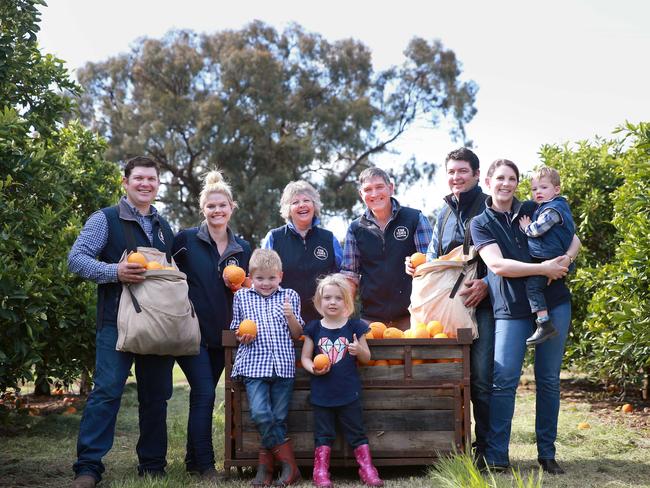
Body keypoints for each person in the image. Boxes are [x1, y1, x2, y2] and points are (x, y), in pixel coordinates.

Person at [67, 156, 175, 488]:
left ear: (158, 185)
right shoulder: (105, 219)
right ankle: (88, 468)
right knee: (107, 393)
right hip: (116, 322)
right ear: (125, 182)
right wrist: (115, 271)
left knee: (156, 396)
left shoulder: (164, 227)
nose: (146, 184)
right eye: (139, 178)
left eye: (152, 179)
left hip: (156, 325)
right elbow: (77, 259)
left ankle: (153, 466)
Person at [470, 159, 580, 474]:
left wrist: (565, 259)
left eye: (512, 178)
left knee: (548, 381)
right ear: (489, 182)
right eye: (500, 178)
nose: (506, 184)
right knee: (504, 382)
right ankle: (497, 456)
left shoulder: (535, 207)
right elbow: (499, 266)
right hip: (510, 309)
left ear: (517, 183)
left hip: (554, 301)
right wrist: (543, 268)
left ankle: (547, 454)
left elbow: (575, 238)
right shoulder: (481, 223)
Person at [405, 147, 494, 461]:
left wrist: (487, 284)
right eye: (452, 172)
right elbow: (434, 256)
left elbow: (507, 256)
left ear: (476, 174)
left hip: (482, 305)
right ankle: (454, 444)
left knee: (481, 379)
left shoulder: (490, 206)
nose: (456, 177)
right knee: (449, 376)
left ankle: (486, 449)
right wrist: (419, 267)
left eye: (462, 171)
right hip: (449, 307)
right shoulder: (443, 213)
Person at [173, 170, 252, 480]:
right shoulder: (185, 240)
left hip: (226, 337)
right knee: (206, 393)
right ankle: (206, 467)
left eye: (223, 206)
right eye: (211, 206)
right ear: (202, 209)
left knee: (202, 395)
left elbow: (248, 288)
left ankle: (193, 461)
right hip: (192, 333)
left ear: (231, 207)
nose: (217, 211)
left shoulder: (242, 248)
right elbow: (167, 277)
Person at [230, 249, 304, 486]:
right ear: (251, 277)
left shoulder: (290, 296)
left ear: (280, 276)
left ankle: (265, 470)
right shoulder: (242, 297)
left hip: (283, 367)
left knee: (279, 419)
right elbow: (236, 329)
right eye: (260, 278)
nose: (266, 283)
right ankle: (289, 466)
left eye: (272, 278)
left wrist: (291, 316)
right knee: (261, 414)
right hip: (254, 366)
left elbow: (297, 333)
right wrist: (242, 336)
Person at [301, 274, 383, 488]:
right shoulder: (314, 329)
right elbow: (305, 358)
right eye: (327, 297)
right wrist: (313, 368)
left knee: (357, 432)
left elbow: (367, 357)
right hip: (322, 393)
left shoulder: (356, 327)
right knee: (323, 434)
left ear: (347, 301)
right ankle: (320, 471)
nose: (332, 302)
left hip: (349, 393)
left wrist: (358, 350)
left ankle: (367, 468)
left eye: (338, 298)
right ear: (319, 302)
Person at [342, 167, 432, 330]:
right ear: (361, 195)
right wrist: (342, 317)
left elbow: (431, 265)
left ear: (390, 188)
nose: (374, 194)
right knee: (372, 357)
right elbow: (350, 276)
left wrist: (415, 266)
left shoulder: (414, 218)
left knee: (414, 356)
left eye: (379, 187)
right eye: (368, 190)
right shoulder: (355, 228)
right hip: (371, 319)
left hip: (413, 316)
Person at [261, 180, 342, 323]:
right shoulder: (274, 238)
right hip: (282, 321)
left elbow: (342, 280)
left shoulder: (329, 239)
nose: (302, 205)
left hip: (324, 323)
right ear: (288, 209)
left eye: (306, 200)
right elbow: (260, 279)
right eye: (295, 202)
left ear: (314, 205)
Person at [518, 166, 576, 346]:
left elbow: (538, 229)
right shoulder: (552, 206)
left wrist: (527, 227)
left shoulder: (552, 210)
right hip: (551, 259)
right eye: (534, 189)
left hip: (550, 259)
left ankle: (544, 323)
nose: (538, 192)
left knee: (533, 288)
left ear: (556, 190)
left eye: (543, 188)